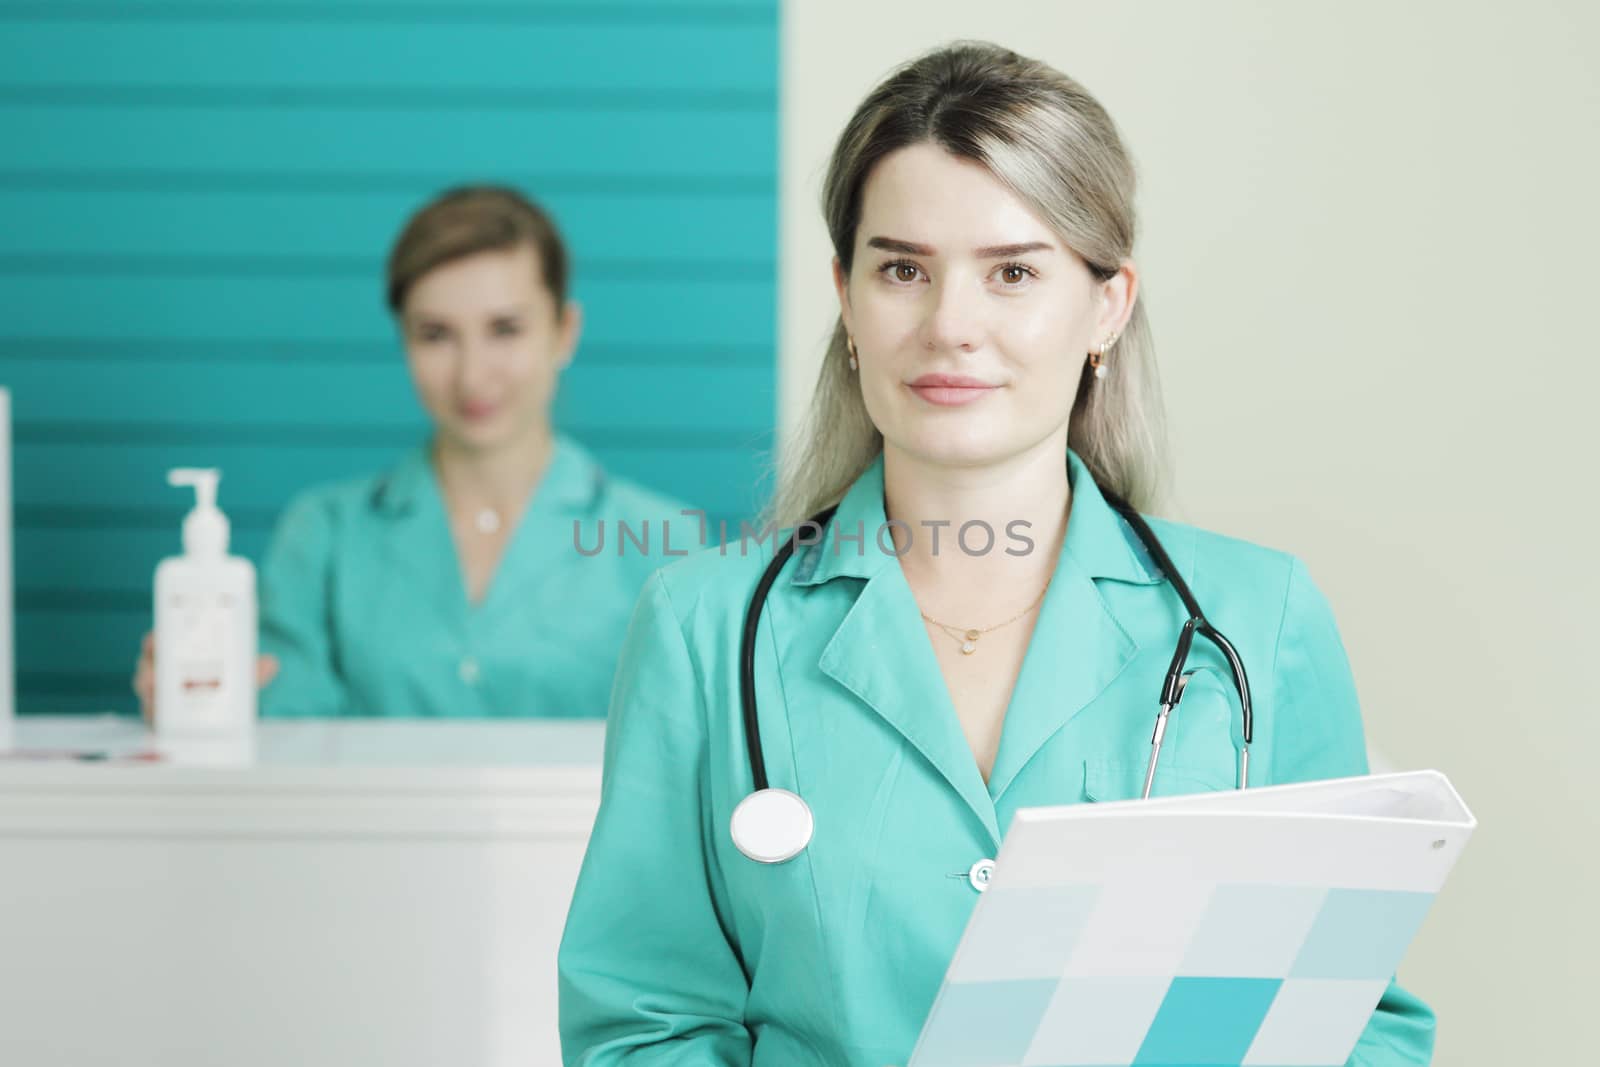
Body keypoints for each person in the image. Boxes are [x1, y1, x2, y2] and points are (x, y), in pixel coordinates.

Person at [556, 42, 1434, 1065]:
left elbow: (1354, 1023)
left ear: (1107, 303)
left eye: (1012, 271)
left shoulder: (1258, 619)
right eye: (901, 270)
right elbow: (642, 1024)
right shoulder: (702, 628)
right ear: (845, 295)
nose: (950, 326)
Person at [135, 185, 690, 718]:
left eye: (505, 329)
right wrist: (206, 707)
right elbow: (283, 735)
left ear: (564, 332)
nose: (472, 377)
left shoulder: (662, 544)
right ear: (403, 338)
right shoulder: (324, 536)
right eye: (435, 334)